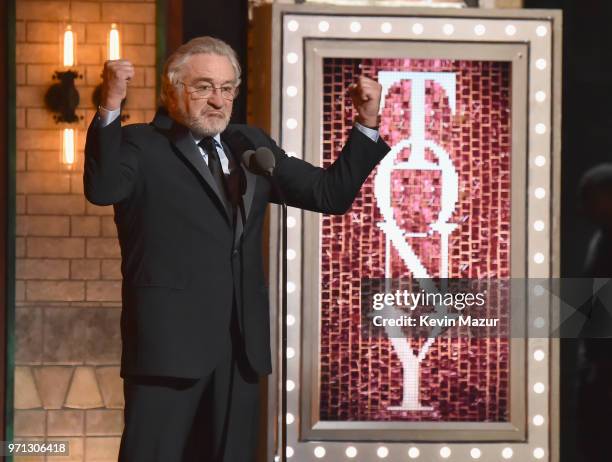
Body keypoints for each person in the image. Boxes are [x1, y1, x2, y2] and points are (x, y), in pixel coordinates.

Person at [84, 36, 390, 462]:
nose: (218, 101)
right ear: (173, 90)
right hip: (168, 349)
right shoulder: (140, 144)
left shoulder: (249, 145)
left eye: (227, 89)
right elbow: (102, 188)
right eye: (204, 87)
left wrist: (367, 121)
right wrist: (110, 105)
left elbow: (329, 194)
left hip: (240, 351)